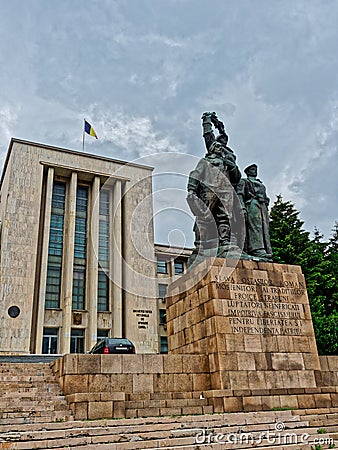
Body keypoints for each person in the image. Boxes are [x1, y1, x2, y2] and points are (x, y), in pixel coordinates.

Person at [186, 113, 242, 263]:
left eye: (220, 146)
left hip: (226, 191)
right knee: (205, 216)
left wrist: (233, 167)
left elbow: (236, 177)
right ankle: (202, 244)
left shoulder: (227, 161)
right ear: (211, 149)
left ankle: (225, 242)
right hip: (209, 190)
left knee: (225, 216)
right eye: (216, 146)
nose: (219, 147)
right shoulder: (205, 161)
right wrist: (191, 189)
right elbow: (195, 174)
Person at [237, 164, 273, 261]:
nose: (255, 171)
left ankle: (266, 249)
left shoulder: (260, 183)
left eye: (255, 169)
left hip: (263, 206)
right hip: (252, 204)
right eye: (252, 169)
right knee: (255, 226)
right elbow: (239, 194)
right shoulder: (244, 181)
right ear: (247, 171)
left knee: (264, 228)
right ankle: (257, 249)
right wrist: (242, 207)